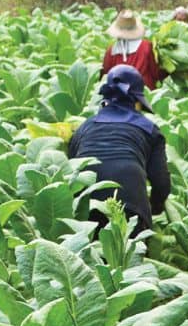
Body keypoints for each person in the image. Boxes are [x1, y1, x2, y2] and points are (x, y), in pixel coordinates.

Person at [68, 65, 171, 237]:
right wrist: (154, 209)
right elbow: (161, 183)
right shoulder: (149, 129)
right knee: (130, 252)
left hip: (85, 209)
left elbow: (71, 170)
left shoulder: (84, 127)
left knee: (84, 251)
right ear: (137, 101)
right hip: (131, 208)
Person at [102, 11, 165, 89]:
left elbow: (105, 75)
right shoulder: (147, 46)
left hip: (120, 93)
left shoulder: (111, 51)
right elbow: (156, 73)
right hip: (144, 91)